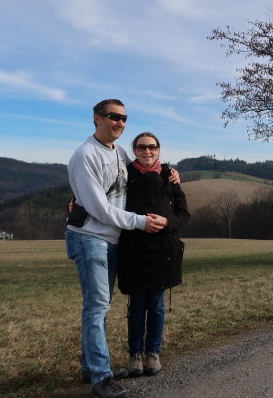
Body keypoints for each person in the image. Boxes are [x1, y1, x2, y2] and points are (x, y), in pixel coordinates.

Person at [65, 99, 175, 398]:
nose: (120, 122)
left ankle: (91, 366)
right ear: (96, 119)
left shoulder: (120, 152)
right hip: (90, 238)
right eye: (113, 117)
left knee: (99, 307)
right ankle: (100, 379)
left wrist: (170, 173)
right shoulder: (85, 154)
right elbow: (99, 208)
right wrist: (139, 222)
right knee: (97, 306)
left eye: (124, 118)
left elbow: (143, 170)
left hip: (113, 239)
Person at [117, 132, 190, 378]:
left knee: (156, 306)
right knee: (137, 305)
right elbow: (103, 197)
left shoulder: (170, 177)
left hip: (163, 250)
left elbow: (184, 215)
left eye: (152, 147)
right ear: (134, 150)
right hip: (134, 248)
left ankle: (153, 354)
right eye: (141, 147)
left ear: (159, 150)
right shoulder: (124, 174)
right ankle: (135, 355)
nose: (147, 151)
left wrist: (167, 221)